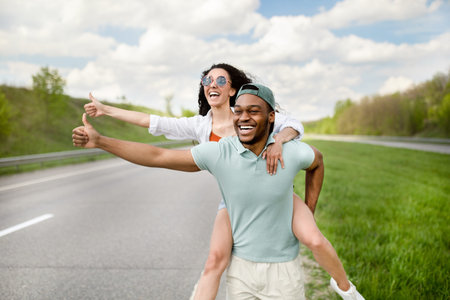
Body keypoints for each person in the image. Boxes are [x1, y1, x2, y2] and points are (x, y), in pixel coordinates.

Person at [81, 64, 362, 300]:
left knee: (314, 239)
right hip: (233, 198)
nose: (211, 83)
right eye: (206, 79)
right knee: (215, 260)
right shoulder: (201, 127)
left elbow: (294, 127)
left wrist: (279, 141)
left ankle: (345, 287)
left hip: (277, 192)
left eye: (219, 79)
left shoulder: (258, 112)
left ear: (232, 89)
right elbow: (153, 130)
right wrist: (106, 113)